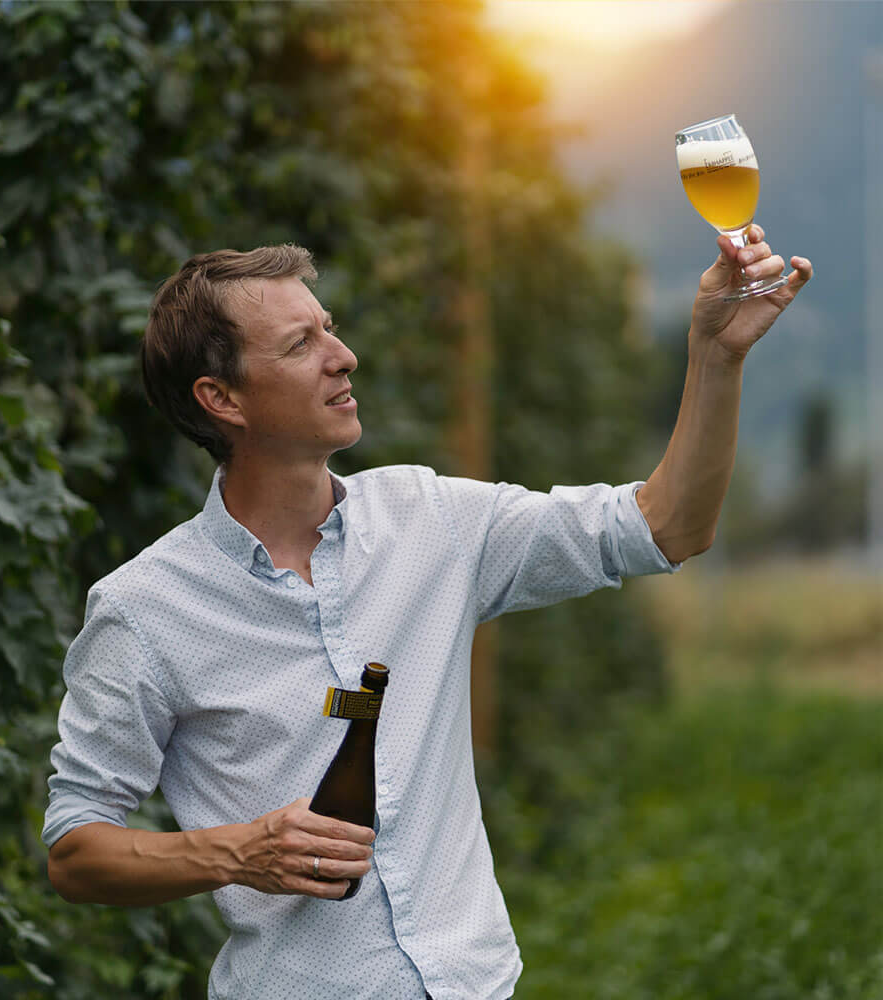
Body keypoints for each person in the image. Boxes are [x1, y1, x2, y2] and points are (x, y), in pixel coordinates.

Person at [42, 232, 812, 1000]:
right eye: (300, 344)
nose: (341, 356)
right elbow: (76, 849)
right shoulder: (144, 611)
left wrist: (716, 357)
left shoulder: (431, 518)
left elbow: (665, 526)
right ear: (223, 398)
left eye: (330, 327)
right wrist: (238, 854)